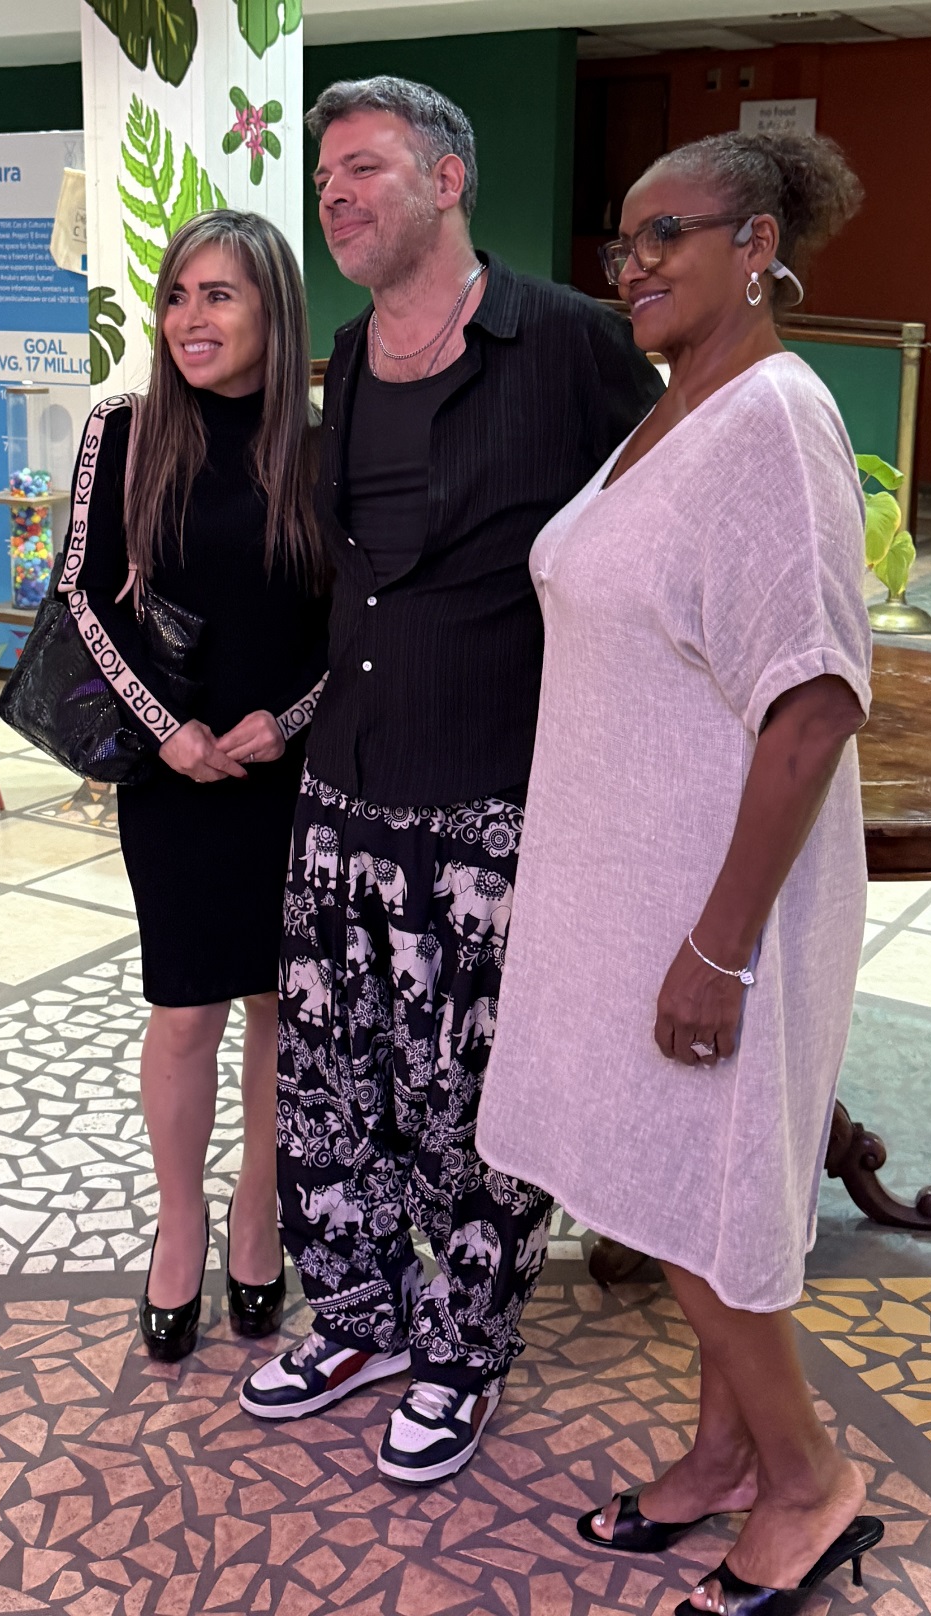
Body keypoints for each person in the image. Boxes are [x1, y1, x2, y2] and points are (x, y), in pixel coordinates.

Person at [476, 131, 884, 1614]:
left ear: (758, 242)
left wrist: (720, 944)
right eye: (622, 241)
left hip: (715, 897)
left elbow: (817, 701)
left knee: (694, 1196)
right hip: (625, 879)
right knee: (670, 1190)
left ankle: (808, 1483)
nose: (633, 263)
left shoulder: (774, 418)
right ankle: (720, 1457)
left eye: (669, 235)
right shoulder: (675, 408)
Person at [236, 77, 664, 1484]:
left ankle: (464, 1351)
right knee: (326, 1079)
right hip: (344, 788)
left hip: (491, 800)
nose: (335, 196)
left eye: (362, 168)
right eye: (324, 180)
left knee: (470, 1100)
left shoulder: (570, 343)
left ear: (448, 178)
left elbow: (659, 520)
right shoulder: (352, 357)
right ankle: (361, 1318)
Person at [59, 210, 327, 1363]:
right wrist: (167, 731)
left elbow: (351, 621)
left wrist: (288, 721)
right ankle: (180, 1224)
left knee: (276, 1006)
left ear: (273, 308)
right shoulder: (123, 430)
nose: (190, 318)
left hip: (288, 773)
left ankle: (257, 1215)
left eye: (220, 295)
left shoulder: (318, 448)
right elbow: (82, 592)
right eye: (177, 295)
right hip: (171, 772)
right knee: (184, 1007)